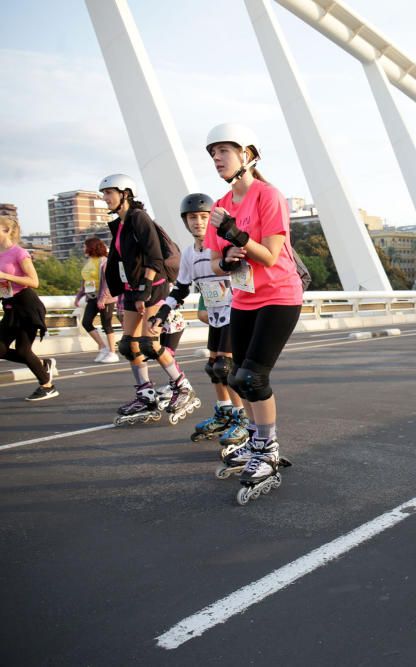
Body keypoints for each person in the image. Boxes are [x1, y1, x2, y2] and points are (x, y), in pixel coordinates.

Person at [204, 123, 303, 503]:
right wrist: (227, 256)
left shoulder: (268, 196)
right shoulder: (219, 206)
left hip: (279, 295)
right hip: (243, 298)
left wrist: (237, 235)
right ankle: (258, 442)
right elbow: (215, 262)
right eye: (212, 153)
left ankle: (267, 450)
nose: (216, 158)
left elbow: (272, 255)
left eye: (223, 151)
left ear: (247, 155)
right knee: (235, 377)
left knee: (253, 376)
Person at [100, 174, 196, 425]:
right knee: (128, 345)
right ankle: (145, 393)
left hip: (153, 286)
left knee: (148, 343)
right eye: (104, 193)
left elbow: (154, 257)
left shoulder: (138, 218)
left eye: (109, 193)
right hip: (133, 288)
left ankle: (181, 385)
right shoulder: (119, 224)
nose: (105, 198)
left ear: (125, 193)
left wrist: (143, 291)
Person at [151, 193, 246, 444]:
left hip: (234, 312)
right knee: (213, 368)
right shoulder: (188, 254)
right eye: (192, 217)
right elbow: (181, 288)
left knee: (225, 368)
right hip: (215, 314)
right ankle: (225, 412)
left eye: (204, 217)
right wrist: (162, 314)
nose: (198, 222)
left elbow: (243, 276)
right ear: (185, 221)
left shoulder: (224, 244)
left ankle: (242, 418)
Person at [0, 216, 58, 401]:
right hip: (9, 305)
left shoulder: (19, 253)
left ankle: (47, 386)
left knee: (24, 350)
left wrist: (5, 275)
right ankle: (42, 365)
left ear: (7, 230)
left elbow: (34, 282)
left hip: (27, 305)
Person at [75, 237, 119, 362]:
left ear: (92, 247)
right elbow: (85, 281)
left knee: (106, 324)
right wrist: (78, 296)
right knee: (86, 322)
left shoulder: (104, 261)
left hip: (106, 299)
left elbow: (107, 282)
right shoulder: (89, 262)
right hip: (92, 297)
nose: (84, 248)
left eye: (85, 246)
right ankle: (103, 347)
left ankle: (112, 352)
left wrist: (103, 299)